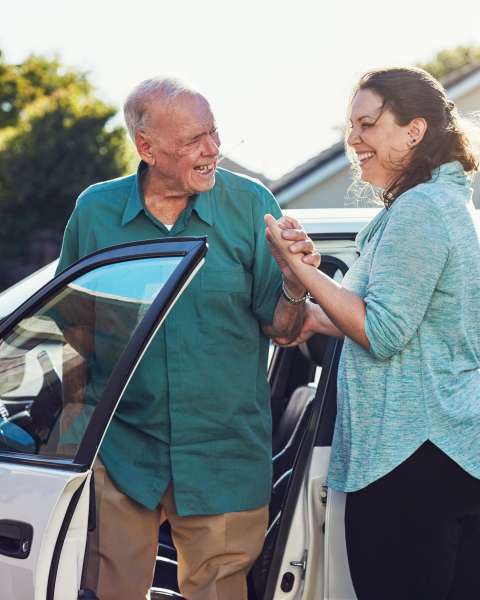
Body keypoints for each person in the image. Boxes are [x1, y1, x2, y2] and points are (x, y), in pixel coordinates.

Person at [56, 77, 318, 600]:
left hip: (223, 455)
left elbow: (285, 331)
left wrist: (293, 285)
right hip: (124, 453)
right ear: (147, 147)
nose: (213, 150)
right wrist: (72, 432)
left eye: (214, 133)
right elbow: (73, 327)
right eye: (194, 139)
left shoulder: (250, 206)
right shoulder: (95, 212)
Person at [264, 67, 480, 599]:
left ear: (414, 130)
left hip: (415, 457)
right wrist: (307, 304)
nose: (353, 140)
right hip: (441, 456)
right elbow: (370, 315)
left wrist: (305, 272)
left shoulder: (422, 211)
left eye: (368, 125)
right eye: (350, 127)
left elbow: (382, 331)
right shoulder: (431, 203)